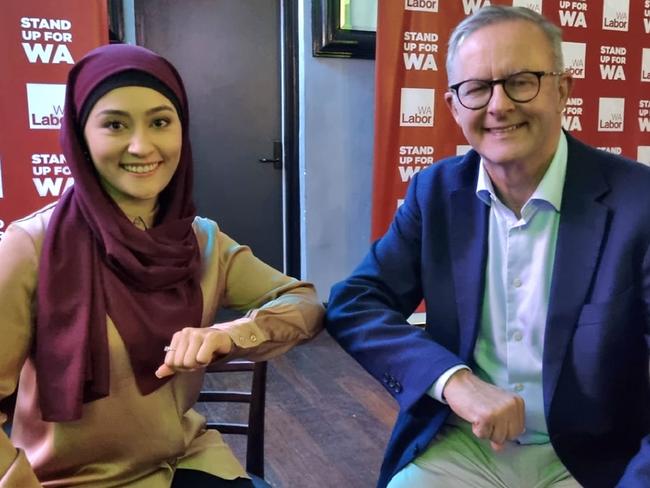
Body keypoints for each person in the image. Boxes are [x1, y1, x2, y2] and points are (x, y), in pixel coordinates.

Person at [326, 6, 650, 488]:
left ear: (563, 90)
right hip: (464, 445)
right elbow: (354, 303)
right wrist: (453, 381)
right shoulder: (433, 193)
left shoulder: (638, 202)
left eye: (521, 80)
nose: (498, 106)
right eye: (476, 88)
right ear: (454, 106)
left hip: (596, 459)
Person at [0, 43, 324, 487]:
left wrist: (228, 334)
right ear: (79, 135)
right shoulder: (30, 248)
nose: (142, 145)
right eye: (115, 124)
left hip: (184, 463)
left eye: (160, 122)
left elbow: (304, 303)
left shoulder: (202, 241)